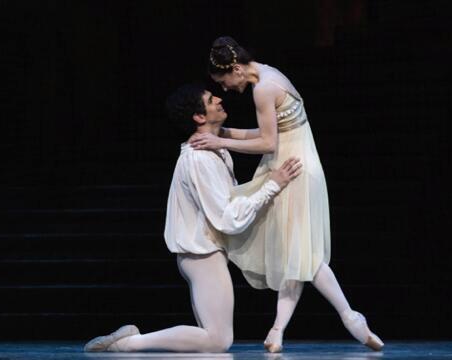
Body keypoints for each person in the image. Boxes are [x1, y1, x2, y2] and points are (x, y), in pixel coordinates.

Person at [189, 36, 384, 352]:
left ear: (236, 69)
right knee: (295, 252)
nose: (224, 89)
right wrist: (224, 133)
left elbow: (268, 143)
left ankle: (351, 318)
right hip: (297, 164)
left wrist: (221, 142)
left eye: (223, 80)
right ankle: (277, 331)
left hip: (291, 170)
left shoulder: (263, 89)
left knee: (304, 255)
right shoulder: (269, 74)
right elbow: (273, 133)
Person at [83, 84, 302, 353]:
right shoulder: (199, 158)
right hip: (202, 254)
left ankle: (129, 341)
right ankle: (128, 343)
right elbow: (227, 217)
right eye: (211, 100)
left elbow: (262, 138)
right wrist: (272, 185)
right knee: (218, 340)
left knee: (210, 342)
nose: (220, 99)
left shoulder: (213, 148)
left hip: (202, 254)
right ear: (199, 117)